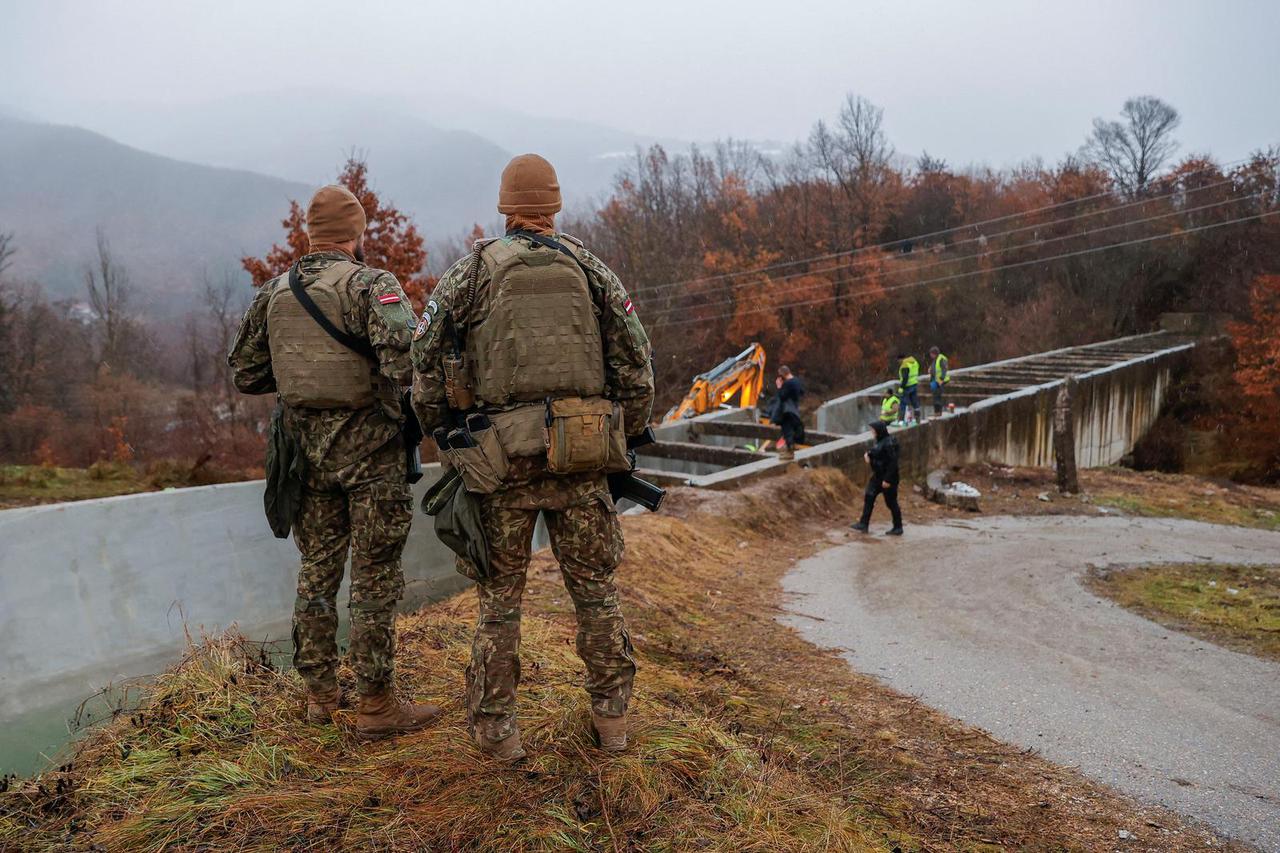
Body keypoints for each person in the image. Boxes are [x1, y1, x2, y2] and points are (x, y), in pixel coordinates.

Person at [411, 154, 655, 761]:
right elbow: (637, 367)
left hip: (502, 469)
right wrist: (620, 441)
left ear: (505, 208)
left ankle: (497, 734)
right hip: (582, 460)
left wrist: (451, 439)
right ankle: (613, 723)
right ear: (554, 206)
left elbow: (424, 369)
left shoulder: (470, 274)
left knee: (499, 608)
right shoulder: (593, 270)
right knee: (595, 594)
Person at [228, 185, 441, 738]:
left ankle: (319, 695)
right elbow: (407, 365)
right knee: (374, 578)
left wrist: (305, 379)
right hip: (372, 457)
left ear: (308, 234)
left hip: (306, 459)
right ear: (357, 233)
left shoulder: (275, 292)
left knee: (316, 573)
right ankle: (375, 704)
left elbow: (246, 374)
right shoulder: (372, 286)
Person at [850, 420, 903, 535]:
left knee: (891, 502)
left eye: (873, 430)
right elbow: (876, 452)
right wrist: (868, 455)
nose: (871, 432)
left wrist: (888, 479)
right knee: (869, 495)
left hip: (888, 478)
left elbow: (893, 463)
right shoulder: (880, 441)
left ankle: (898, 526)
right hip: (878, 476)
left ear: (879, 431)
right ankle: (863, 523)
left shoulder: (889, 443)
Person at [769, 365, 805, 460]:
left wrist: (779, 386)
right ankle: (790, 450)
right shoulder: (796, 381)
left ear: (782, 374)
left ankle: (789, 453)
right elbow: (802, 392)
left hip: (787, 411)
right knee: (791, 430)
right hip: (794, 409)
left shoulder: (788, 384)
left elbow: (782, 396)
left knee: (787, 430)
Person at [897, 352, 922, 424]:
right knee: (915, 402)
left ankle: (901, 421)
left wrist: (901, 387)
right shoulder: (914, 362)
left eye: (898, 361)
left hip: (907, 386)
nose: (899, 363)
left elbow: (905, 378)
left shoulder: (904, 365)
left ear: (900, 359)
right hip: (914, 384)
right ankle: (918, 419)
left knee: (903, 403)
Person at [928, 346, 950, 417]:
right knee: (935, 396)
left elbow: (944, 370)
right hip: (936, 381)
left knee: (937, 396)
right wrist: (930, 370)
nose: (930, 355)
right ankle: (937, 412)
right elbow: (935, 368)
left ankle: (938, 412)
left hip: (941, 381)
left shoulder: (941, 359)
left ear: (934, 353)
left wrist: (941, 379)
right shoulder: (936, 359)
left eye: (931, 354)